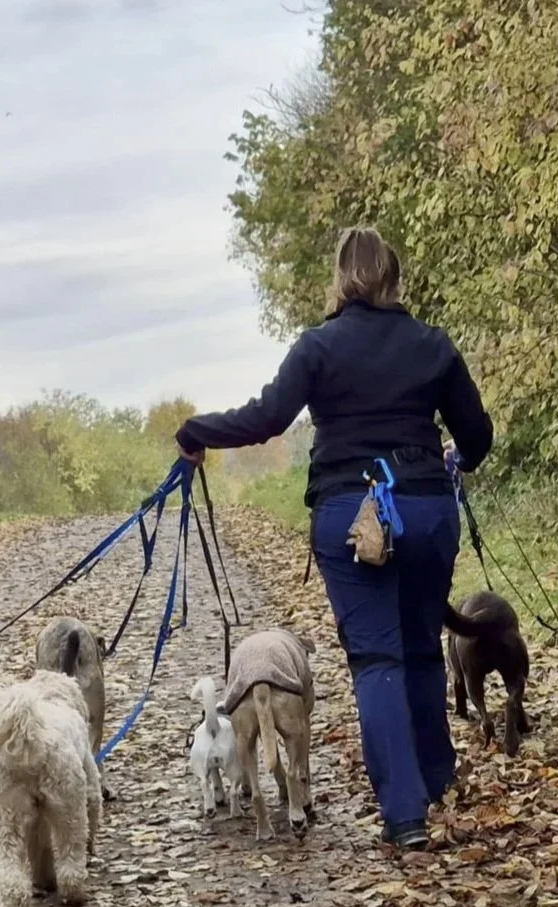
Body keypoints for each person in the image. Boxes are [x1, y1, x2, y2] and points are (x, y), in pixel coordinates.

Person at [174, 227, 492, 851]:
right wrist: (448, 451)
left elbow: (266, 419)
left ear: (341, 278)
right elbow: (476, 441)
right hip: (426, 509)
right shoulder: (433, 344)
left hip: (351, 513)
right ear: (394, 278)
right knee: (423, 646)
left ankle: (405, 817)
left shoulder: (319, 347)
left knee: (378, 659)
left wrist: (195, 430)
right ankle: (436, 778)